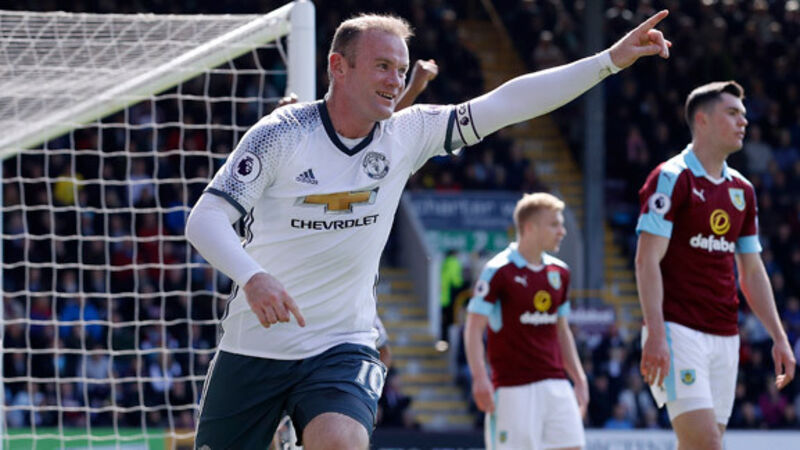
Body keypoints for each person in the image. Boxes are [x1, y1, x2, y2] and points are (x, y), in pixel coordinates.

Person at [186, 10, 671, 449]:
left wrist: (608, 61)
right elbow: (205, 219)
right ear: (338, 66)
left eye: (401, 70)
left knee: (340, 441)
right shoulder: (281, 133)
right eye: (382, 66)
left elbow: (508, 103)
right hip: (254, 348)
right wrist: (254, 277)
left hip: (341, 343)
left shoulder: (409, 133)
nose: (396, 80)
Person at [635, 80, 796, 449]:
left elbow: (752, 271)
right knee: (707, 443)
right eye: (733, 113)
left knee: (701, 444)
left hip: (725, 335)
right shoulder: (671, 178)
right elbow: (646, 260)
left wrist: (779, 337)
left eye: (744, 114)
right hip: (677, 330)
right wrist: (656, 332)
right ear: (702, 120)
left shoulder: (743, 190)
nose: (744, 122)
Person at [464, 193, 588, 449]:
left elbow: (562, 330)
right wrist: (479, 377)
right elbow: (474, 329)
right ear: (530, 228)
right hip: (513, 388)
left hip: (556, 383)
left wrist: (578, 377)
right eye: (554, 225)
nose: (562, 231)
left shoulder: (561, 272)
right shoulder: (498, 271)